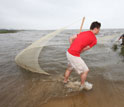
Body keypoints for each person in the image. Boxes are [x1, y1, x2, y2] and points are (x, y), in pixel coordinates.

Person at [64, 21, 101, 90]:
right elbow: (84, 49)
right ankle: (82, 85)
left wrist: (73, 47)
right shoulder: (94, 40)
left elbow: (71, 38)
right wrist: (77, 51)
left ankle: (65, 81)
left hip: (68, 52)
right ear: (96, 29)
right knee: (85, 71)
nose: (99, 31)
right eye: (99, 29)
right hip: (74, 55)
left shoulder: (82, 33)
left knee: (69, 68)